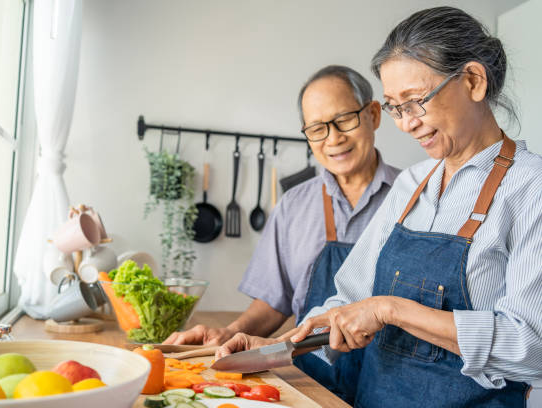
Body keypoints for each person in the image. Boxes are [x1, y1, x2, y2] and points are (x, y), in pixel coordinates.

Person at [217, 6, 542, 407]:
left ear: (473, 81)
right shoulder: (410, 186)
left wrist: (392, 309)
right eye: (395, 106)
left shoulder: (531, 189)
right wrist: (275, 346)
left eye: (414, 101)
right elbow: (349, 302)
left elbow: (532, 346)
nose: (406, 123)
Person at [164, 65, 400, 398]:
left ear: (374, 114)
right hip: (307, 383)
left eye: (345, 119)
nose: (333, 138)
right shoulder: (293, 206)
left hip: (390, 387)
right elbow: (275, 303)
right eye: (317, 128)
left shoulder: (415, 199)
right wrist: (227, 334)